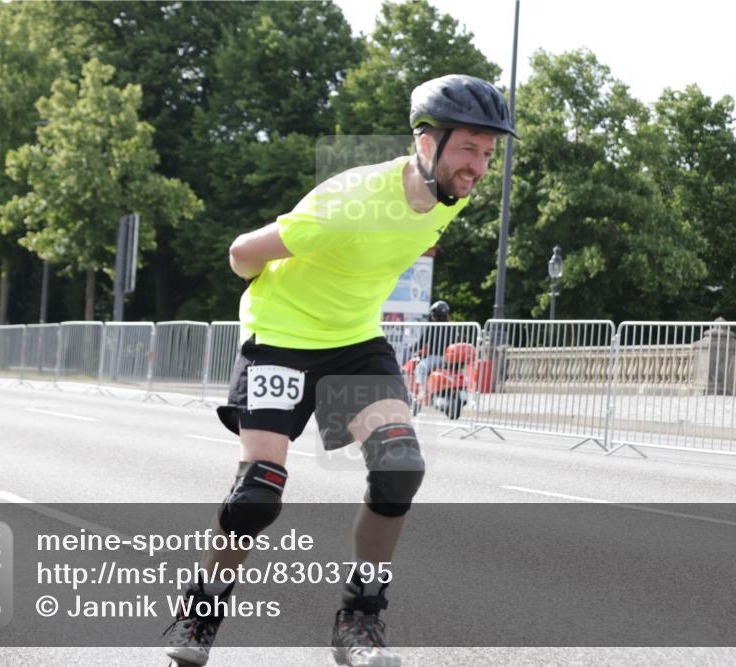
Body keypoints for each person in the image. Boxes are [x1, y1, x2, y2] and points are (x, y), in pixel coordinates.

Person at [162, 74, 518, 667]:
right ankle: (199, 616)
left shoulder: (448, 196)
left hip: (353, 340)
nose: (479, 167)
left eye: (488, 153)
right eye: (468, 149)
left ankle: (359, 621)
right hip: (281, 335)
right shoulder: (348, 202)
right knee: (257, 494)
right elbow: (240, 255)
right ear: (426, 143)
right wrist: (278, 300)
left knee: (400, 468)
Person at [413, 300, 452, 405]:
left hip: (436, 357)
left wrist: (412, 348)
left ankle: (422, 391)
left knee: (420, 367)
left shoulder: (432, 327)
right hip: (449, 359)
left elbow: (422, 343)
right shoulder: (452, 326)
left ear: (434, 315)